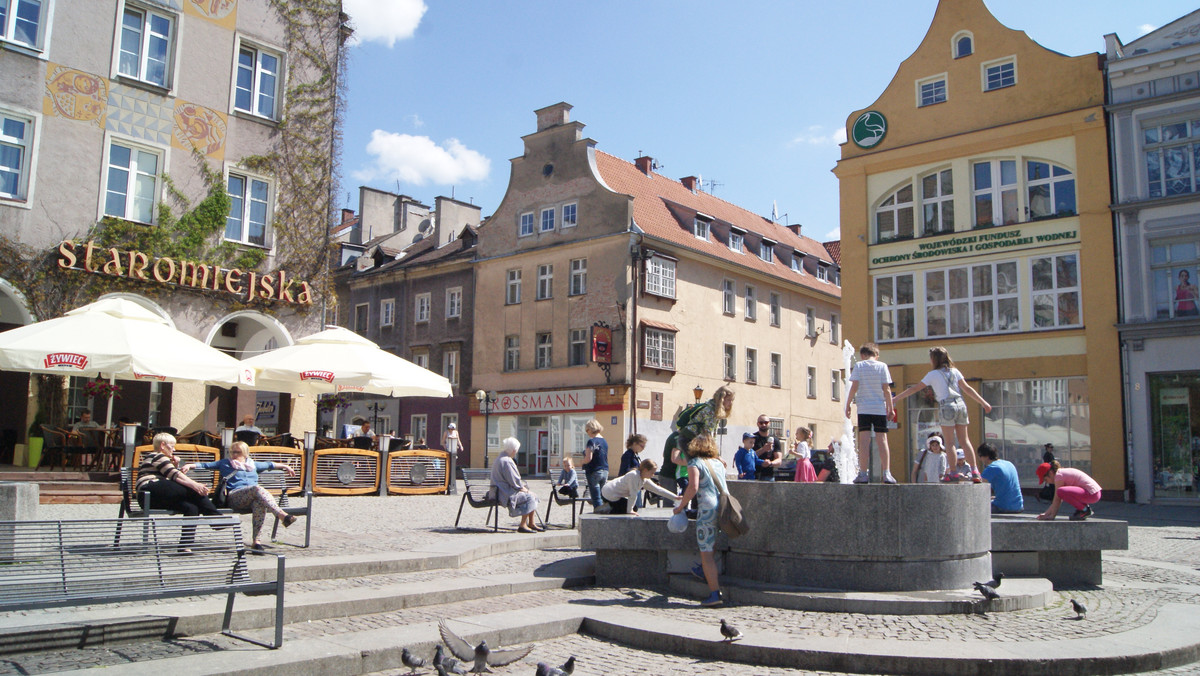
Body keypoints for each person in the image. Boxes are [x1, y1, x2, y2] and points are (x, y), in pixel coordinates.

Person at [893, 346, 992, 484]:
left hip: (946, 406)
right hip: (961, 404)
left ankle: (953, 472)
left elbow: (915, 388)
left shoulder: (933, 374)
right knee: (965, 440)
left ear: (934, 359)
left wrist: (896, 398)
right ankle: (975, 471)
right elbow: (967, 389)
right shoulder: (955, 371)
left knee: (950, 442)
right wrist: (983, 402)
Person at [182, 441, 297, 550]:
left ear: (245, 453)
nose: (234, 455)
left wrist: (286, 466)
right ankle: (282, 515)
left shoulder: (252, 464)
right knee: (257, 488)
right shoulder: (225, 463)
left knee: (258, 503)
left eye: (238, 452)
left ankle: (256, 541)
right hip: (235, 496)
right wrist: (189, 465)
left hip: (253, 496)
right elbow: (205, 465)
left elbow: (270, 464)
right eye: (232, 452)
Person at [136, 432, 224, 553]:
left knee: (192, 507)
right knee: (193, 490)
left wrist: (177, 465)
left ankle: (185, 545)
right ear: (163, 445)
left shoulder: (163, 459)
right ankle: (216, 518)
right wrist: (195, 485)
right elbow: (175, 476)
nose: (174, 449)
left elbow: (173, 477)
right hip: (148, 491)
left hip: (157, 498)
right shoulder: (157, 456)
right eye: (172, 446)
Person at [672, 433, 725, 607]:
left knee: (706, 554)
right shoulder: (718, 463)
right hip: (723, 509)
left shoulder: (695, 463)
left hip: (707, 509)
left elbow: (693, 487)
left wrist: (680, 508)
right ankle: (705, 572)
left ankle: (714, 593)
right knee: (712, 546)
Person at [663, 386, 735, 496]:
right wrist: (717, 456)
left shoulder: (713, 409)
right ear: (722, 399)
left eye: (732, 400)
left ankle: (696, 502)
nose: (731, 403)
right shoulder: (710, 411)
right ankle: (690, 504)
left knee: (702, 472)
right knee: (697, 471)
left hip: (694, 441)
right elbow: (708, 437)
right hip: (689, 441)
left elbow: (710, 436)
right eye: (729, 400)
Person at [844, 343, 897, 484]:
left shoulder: (859, 366)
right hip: (879, 408)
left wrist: (848, 404)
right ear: (876, 355)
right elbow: (886, 390)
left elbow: (854, 387)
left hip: (863, 408)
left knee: (864, 441)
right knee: (882, 440)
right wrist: (890, 408)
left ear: (862, 355)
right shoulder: (882, 366)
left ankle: (862, 473)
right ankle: (886, 473)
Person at [491, 437, 541, 532]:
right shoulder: (507, 461)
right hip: (504, 493)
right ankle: (523, 525)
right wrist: (524, 489)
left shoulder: (500, 458)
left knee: (532, 495)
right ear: (514, 450)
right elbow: (514, 481)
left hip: (499, 491)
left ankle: (531, 523)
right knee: (530, 497)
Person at [599, 459, 679, 515]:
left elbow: (658, 490)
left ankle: (610, 506)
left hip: (616, 495)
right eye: (652, 473)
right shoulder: (634, 476)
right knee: (629, 509)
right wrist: (630, 511)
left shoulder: (644, 479)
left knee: (633, 508)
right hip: (608, 493)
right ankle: (605, 509)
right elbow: (633, 494)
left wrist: (675, 497)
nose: (653, 475)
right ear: (645, 470)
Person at [1036, 460, 1101, 520]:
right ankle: (1083, 509)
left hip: (1092, 494)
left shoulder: (1058, 476)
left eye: (1046, 480)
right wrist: (1046, 514)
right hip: (1094, 493)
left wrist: (1051, 516)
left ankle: (1084, 510)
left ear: (1050, 473)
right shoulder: (1061, 473)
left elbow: (1057, 499)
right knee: (1062, 492)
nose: (1047, 482)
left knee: (1060, 491)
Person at [977, 443, 1023, 514]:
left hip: (1003, 507)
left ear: (986, 456)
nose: (980, 459)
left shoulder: (991, 468)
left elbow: (978, 486)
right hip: (1018, 506)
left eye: (980, 456)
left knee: (974, 507)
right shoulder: (1009, 464)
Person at [581, 419, 609, 510]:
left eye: (587, 430)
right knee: (603, 495)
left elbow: (588, 458)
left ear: (591, 429)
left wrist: (582, 462)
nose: (587, 433)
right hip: (605, 470)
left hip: (594, 471)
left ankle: (598, 516)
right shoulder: (604, 441)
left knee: (596, 498)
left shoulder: (591, 441)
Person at [619, 434, 648, 508]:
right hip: (630, 485)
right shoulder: (628, 455)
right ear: (635, 443)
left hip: (636, 483)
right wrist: (636, 470)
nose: (643, 448)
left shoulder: (635, 455)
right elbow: (624, 470)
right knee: (636, 506)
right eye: (642, 446)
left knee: (638, 505)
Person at [751, 415, 781, 481]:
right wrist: (763, 449)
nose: (763, 424)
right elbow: (749, 456)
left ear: (769, 423)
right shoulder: (752, 438)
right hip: (754, 475)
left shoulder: (775, 440)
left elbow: (779, 460)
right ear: (757, 424)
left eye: (766, 422)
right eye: (761, 423)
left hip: (769, 475)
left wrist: (770, 463)